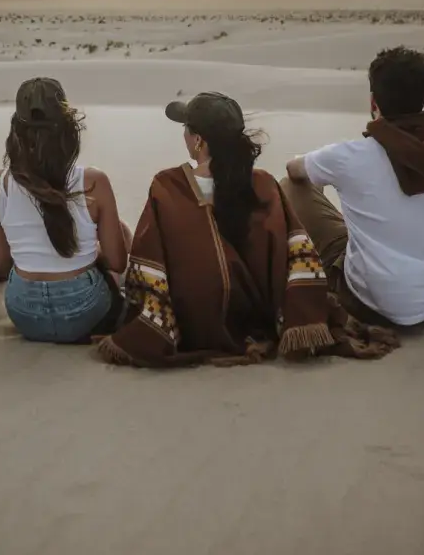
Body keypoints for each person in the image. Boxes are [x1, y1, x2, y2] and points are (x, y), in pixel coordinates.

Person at [98, 93, 398, 368]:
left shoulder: (168, 186)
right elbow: (296, 252)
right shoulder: (264, 184)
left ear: (198, 140)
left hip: (195, 322)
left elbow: (149, 259)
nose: (184, 135)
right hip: (259, 315)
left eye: (186, 128)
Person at [283, 47, 424, 332]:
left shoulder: (349, 155)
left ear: (373, 102)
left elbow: (294, 170)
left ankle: (296, 276)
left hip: (369, 306)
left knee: (290, 185)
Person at [0, 78, 129, 344]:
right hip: (84, 312)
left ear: (15, 130)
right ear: (67, 129)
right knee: (121, 232)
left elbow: (0, 264)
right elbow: (118, 262)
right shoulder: (93, 182)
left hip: (24, 313)